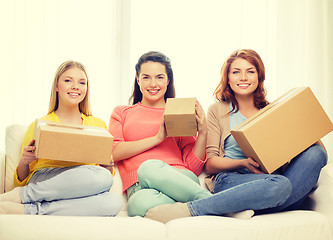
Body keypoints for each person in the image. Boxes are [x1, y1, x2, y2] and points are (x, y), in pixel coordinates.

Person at [145, 49, 328, 223]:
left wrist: (304, 129)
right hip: (233, 179)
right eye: (236, 72)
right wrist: (243, 162)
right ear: (228, 78)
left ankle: (241, 207)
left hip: (272, 182)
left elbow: (312, 154)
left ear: (259, 76)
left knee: (317, 153)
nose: (243, 78)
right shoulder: (218, 110)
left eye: (250, 71)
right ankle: (194, 209)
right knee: (280, 185)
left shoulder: (272, 110)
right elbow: (210, 164)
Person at [0, 60, 122, 216]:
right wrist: (25, 161)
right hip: (46, 179)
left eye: (82, 82)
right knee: (102, 177)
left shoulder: (98, 125)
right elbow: (21, 180)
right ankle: (23, 196)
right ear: (57, 87)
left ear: (86, 88)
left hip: (81, 184)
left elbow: (103, 177)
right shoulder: (41, 124)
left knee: (113, 200)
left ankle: (30, 209)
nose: (75, 86)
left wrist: (108, 166)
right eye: (68, 80)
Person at [108, 51, 214, 217]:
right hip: (140, 187)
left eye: (159, 77)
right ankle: (206, 204)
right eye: (146, 77)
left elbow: (193, 168)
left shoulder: (177, 111)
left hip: (179, 180)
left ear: (168, 80)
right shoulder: (121, 113)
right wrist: (157, 138)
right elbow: (114, 152)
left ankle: (210, 202)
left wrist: (203, 131)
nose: (153, 83)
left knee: (149, 167)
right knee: (137, 205)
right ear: (138, 80)